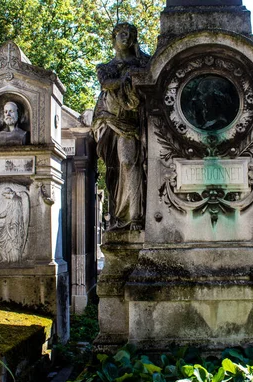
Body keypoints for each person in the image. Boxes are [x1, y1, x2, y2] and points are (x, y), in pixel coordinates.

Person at [92, 22, 150, 230]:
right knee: (122, 165)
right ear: (113, 38)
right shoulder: (106, 68)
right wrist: (127, 76)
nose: (125, 37)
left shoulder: (144, 63)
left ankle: (137, 215)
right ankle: (125, 215)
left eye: (129, 34)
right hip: (114, 123)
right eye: (121, 33)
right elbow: (106, 83)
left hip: (139, 122)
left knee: (137, 165)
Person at [0, 187, 28, 262]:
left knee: (12, 242)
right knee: (0, 239)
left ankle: (13, 260)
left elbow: (16, 214)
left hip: (13, 225)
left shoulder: (16, 200)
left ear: (8, 193)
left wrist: (13, 225)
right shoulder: (12, 200)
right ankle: (5, 259)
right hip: (8, 225)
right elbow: (7, 212)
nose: (5, 197)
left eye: (5, 195)